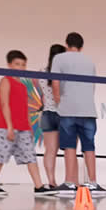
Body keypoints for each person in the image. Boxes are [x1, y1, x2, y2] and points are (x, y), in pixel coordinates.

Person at [51, 32, 106, 197]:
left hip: (68, 108)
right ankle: (93, 183)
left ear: (67, 44)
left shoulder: (60, 58)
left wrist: (58, 102)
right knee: (89, 146)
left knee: (69, 146)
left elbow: (55, 83)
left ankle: (69, 183)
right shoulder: (89, 61)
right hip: (88, 109)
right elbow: (92, 86)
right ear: (81, 46)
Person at [0, 51, 51, 197]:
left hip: (23, 128)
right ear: (9, 65)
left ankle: (38, 186)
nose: (21, 67)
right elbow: (4, 104)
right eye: (17, 64)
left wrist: (30, 127)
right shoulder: (5, 81)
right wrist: (9, 126)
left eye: (23, 65)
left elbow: (24, 106)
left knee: (30, 157)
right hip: (5, 127)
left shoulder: (22, 85)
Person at [39, 44, 66, 188]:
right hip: (62, 113)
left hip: (47, 113)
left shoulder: (42, 72)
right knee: (69, 149)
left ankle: (51, 181)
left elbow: (43, 94)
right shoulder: (63, 74)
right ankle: (70, 182)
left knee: (50, 151)